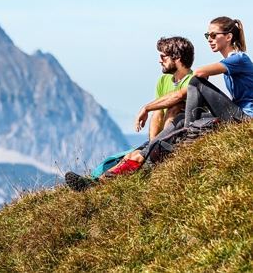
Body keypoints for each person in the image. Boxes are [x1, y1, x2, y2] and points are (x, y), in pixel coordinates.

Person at [65, 36, 195, 191]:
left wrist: (146, 107)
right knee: (130, 156)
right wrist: (152, 144)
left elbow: (178, 96)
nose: (159, 60)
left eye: (163, 56)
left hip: (181, 135)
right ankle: (95, 183)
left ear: (177, 58)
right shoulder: (163, 81)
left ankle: (98, 184)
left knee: (175, 107)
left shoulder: (193, 79)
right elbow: (158, 113)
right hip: (162, 139)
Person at [184, 16, 253, 127]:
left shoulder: (239, 58)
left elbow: (198, 72)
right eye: (207, 35)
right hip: (237, 113)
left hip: (246, 117)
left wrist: (203, 77)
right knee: (181, 118)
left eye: (213, 35)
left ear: (228, 37)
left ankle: (188, 130)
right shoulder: (229, 62)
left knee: (196, 81)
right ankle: (152, 144)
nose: (209, 39)